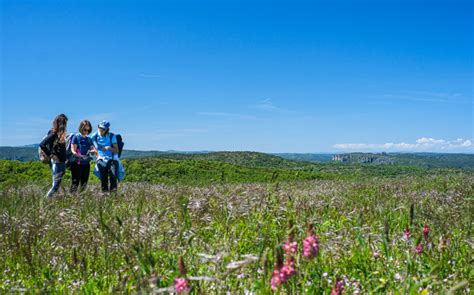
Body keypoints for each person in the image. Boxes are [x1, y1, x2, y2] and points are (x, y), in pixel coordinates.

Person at [39, 114, 68, 198]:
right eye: (65, 122)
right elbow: (42, 144)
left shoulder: (59, 133)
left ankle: (50, 200)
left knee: (56, 184)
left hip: (61, 161)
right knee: (55, 185)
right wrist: (51, 155)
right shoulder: (53, 133)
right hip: (57, 161)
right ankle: (47, 199)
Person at [91, 120, 119, 192]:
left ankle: (113, 195)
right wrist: (94, 152)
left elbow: (116, 150)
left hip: (111, 159)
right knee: (103, 178)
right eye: (99, 127)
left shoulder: (112, 136)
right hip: (101, 159)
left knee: (113, 177)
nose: (101, 130)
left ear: (107, 129)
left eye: (103, 129)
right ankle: (105, 195)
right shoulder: (95, 136)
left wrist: (109, 148)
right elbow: (93, 146)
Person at [70, 120, 96, 193]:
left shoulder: (89, 139)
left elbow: (92, 148)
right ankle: (71, 198)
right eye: (85, 129)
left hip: (86, 164)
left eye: (88, 130)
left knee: (84, 184)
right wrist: (80, 156)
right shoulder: (76, 137)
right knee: (75, 183)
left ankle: (81, 199)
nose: (86, 132)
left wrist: (93, 151)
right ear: (81, 128)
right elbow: (73, 151)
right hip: (77, 163)